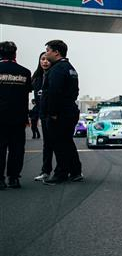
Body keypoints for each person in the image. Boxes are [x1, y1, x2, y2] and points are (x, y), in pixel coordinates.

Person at [40, 40, 82, 184]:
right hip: (69, 110)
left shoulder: (57, 69)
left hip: (59, 114)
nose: (46, 54)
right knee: (67, 142)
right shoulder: (70, 68)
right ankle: (76, 171)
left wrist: (52, 113)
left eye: (48, 50)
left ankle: (60, 174)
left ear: (56, 52)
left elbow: (54, 92)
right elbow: (75, 91)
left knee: (59, 144)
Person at [0, 41, 32, 189]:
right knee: (17, 149)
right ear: (15, 54)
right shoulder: (25, 72)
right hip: (18, 117)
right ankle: (13, 178)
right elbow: (25, 95)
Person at [31, 52, 54, 181]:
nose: (45, 62)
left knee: (59, 144)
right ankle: (45, 171)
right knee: (47, 145)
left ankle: (69, 170)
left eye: (47, 59)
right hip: (43, 116)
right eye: (42, 59)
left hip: (55, 116)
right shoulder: (36, 78)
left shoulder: (54, 75)